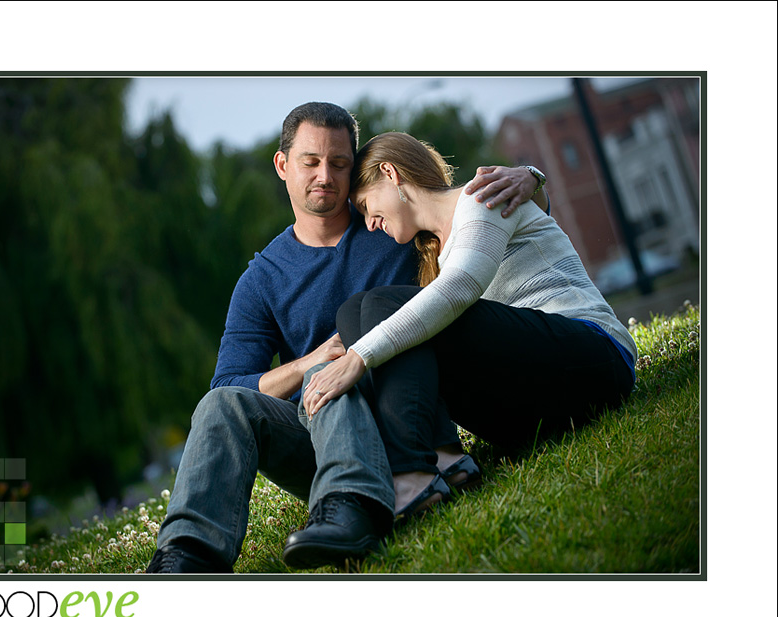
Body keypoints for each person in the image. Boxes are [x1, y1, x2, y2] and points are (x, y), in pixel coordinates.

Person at [146, 102, 545, 573]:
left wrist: (529, 177)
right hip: (324, 437)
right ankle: (187, 556)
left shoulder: (390, 224)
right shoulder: (262, 279)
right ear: (282, 165)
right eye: (310, 162)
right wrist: (311, 361)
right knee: (223, 404)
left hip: (407, 428)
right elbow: (229, 383)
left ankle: (352, 508)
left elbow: (469, 215)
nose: (326, 176)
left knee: (330, 370)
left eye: (339, 163)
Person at [301, 131, 636, 523]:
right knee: (353, 309)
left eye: (365, 205)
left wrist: (359, 357)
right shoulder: (437, 256)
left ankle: (412, 473)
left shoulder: (481, 198)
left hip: (596, 359)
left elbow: (460, 288)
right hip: (529, 413)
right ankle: (447, 457)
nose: (371, 223)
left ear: (390, 173)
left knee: (381, 303)